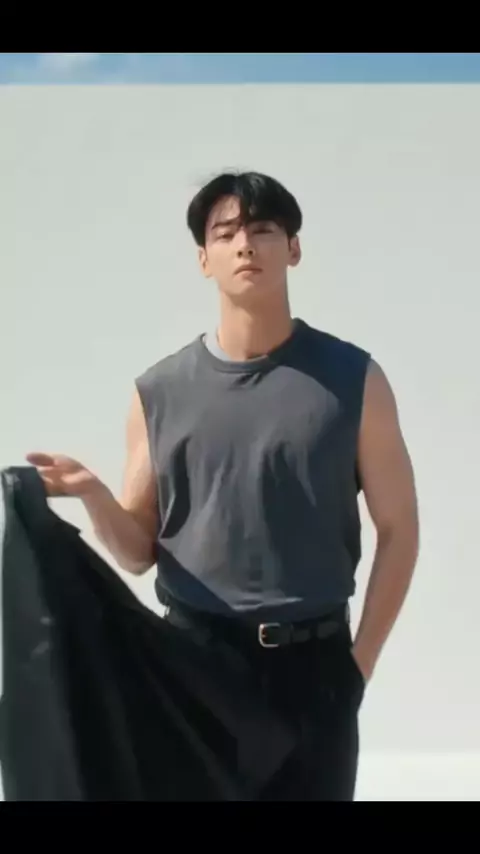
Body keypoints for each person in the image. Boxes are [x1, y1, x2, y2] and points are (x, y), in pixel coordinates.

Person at [26, 170, 419, 800]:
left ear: (293, 248)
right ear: (203, 259)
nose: (245, 245)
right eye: (226, 233)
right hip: (193, 666)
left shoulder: (354, 380)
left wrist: (358, 665)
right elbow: (137, 553)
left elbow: (399, 528)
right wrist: (94, 494)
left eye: (263, 230)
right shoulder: (158, 392)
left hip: (315, 670)